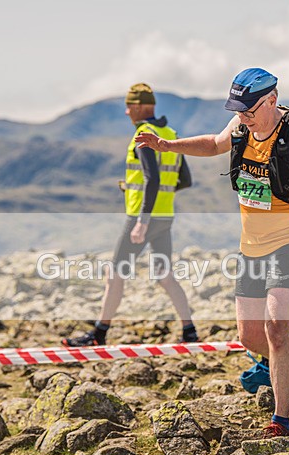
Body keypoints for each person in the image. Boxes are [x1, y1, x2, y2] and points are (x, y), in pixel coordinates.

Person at [135, 68, 289, 438]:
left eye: (249, 110)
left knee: (277, 331)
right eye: (238, 110)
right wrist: (167, 146)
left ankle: (280, 420)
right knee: (251, 337)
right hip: (251, 247)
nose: (242, 117)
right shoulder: (240, 126)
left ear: (271, 99)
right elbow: (213, 144)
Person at [63, 83, 198, 347]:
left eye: (129, 107)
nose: (126, 112)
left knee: (115, 274)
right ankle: (189, 331)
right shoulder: (169, 133)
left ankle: (99, 334)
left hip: (142, 218)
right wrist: (156, 195)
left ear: (138, 107)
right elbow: (185, 180)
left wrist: (142, 220)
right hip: (165, 215)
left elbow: (152, 178)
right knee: (164, 274)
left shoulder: (144, 135)